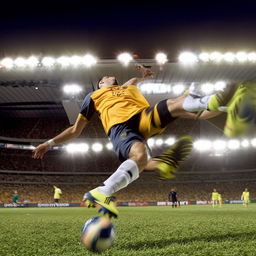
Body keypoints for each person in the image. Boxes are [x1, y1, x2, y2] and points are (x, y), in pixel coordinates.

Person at [32, 65, 251, 218]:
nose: (110, 77)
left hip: (142, 118)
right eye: (106, 77)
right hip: (121, 128)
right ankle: (102, 192)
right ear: (100, 84)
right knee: (141, 156)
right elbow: (75, 129)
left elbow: (133, 80)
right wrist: (49, 143)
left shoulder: (126, 87)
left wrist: (144, 76)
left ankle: (220, 103)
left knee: (175, 104)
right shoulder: (94, 97)